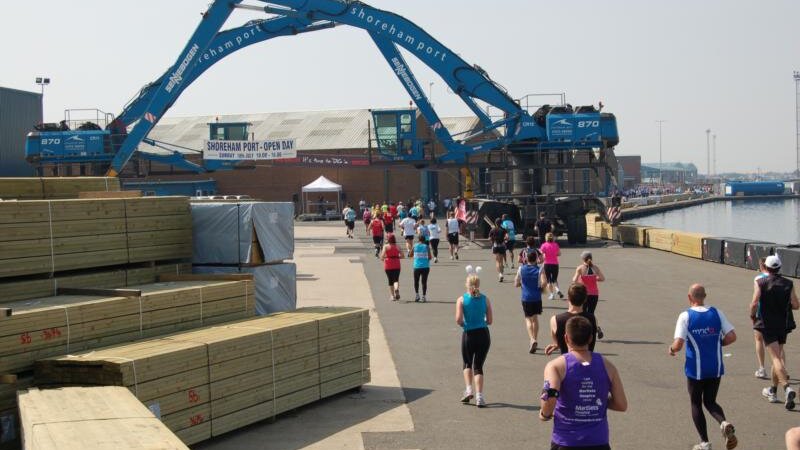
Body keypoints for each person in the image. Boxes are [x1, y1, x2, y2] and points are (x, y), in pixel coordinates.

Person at [540, 316, 627, 450]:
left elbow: (550, 395)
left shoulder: (556, 366)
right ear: (591, 338)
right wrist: (596, 399)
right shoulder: (608, 365)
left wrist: (545, 414)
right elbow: (621, 404)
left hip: (566, 441)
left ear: (566, 338)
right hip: (598, 441)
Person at [669, 284, 738, 450]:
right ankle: (724, 422)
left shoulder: (686, 316)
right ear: (705, 296)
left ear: (689, 297)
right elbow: (732, 336)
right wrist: (717, 342)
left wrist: (671, 349)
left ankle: (705, 442)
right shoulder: (716, 312)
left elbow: (678, 344)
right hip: (715, 366)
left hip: (696, 369)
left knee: (696, 403)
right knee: (710, 401)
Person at [751, 255, 799, 409]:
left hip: (767, 325)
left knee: (776, 359)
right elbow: (796, 305)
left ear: (766, 267)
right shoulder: (788, 283)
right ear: (779, 267)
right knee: (776, 357)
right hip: (783, 325)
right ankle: (773, 390)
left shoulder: (761, 282)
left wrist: (753, 317)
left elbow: (754, 302)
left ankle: (787, 388)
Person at [456, 266, 493, 408]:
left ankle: (468, 390)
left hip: (469, 334)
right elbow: (489, 321)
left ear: (467, 284)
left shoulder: (461, 300)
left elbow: (458, 320)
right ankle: (479, 397)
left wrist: (466, 324)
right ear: (478, 285)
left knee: (467, 363)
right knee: (478, 366)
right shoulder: (485, 299)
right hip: (483, 334)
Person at [545, 283, 598, 355]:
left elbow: (558, 342)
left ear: (568, 298)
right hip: (589, 361)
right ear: (585, 299)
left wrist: (557, 345)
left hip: (567, 363)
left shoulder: (555, 320)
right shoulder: (592, 318)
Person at [515, 249, 547, 353]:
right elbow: (544, 283)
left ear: (526, 259)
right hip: (537, 297)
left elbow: (516, 283)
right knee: (535, 318)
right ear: (536, 259)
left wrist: (521, 284)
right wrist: (540, 288)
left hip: (526, 297)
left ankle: (532, 339)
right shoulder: (540, 269)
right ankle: (535, 338)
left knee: (528, 319)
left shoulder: (521, 269)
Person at [572, 251, 606, 339]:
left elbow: (574, 280)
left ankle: (586, 331)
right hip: (594, 293)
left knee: (582, 313)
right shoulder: (596, 268)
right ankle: (596, 328)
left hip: (584, 293)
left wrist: (581, 280)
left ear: (583, 259)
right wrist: (594, 279)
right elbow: (602, 278)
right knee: (591, 313)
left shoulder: (580, 268)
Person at [380, 234, 404, 301]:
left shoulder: (386, 246)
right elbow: (402, 256)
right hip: (396, 264)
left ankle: (392, 296)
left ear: (388, 239)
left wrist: (385, 257)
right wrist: (397, 257)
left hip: (388, 265)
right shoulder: (398, 246)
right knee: (396, 279)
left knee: (390, 281)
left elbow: (382, 257)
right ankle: (396, 289)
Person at [540, 232, 563, 300]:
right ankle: (558, 290)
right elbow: (559, 254)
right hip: (555, 264)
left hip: (547, 264)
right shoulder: (556, 245)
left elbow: (541, 253)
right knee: (554, 279)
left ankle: (552, 295)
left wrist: (543, 256)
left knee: (549, 280)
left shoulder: (544, 245)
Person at [410, 234, 432, 302]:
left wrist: (416, 255)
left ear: (418, 239)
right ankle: (424, 296)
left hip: (417, 266)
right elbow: (430, 257)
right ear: (424, 240)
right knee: (424, 282)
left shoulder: (415, 246)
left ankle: (417, 295)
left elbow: (410, 254)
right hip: (425, 266)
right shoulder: (426, 246)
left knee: (416, 281)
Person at [488, 218, 507, 282]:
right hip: (502, 246)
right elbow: (507, 237)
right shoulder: (504, 230)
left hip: (495, 246)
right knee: (501, 261)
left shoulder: (492, 229)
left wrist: (492, 241)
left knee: (497, 261)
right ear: (501, 223)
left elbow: (489, 238)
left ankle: (500, 274)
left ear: (495, 223)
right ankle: (501, 273)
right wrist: (504, 240)